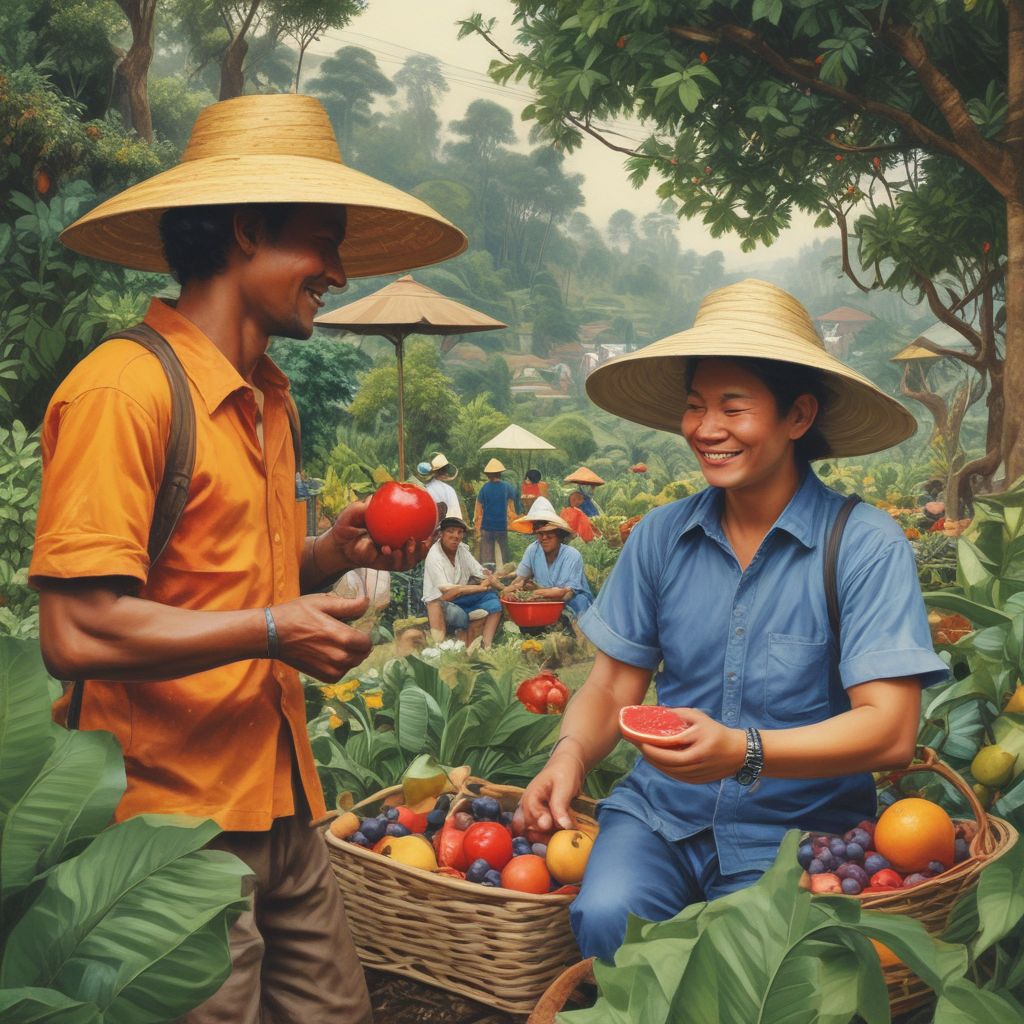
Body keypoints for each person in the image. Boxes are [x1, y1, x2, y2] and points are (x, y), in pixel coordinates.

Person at [31, 93, 466, 1023]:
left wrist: (321, 557)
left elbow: (217, 582)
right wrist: (273, 628)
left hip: (280, 796)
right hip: (166, 826)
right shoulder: (123, 391)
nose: (339, 271)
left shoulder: (271, 400)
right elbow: (75, 631)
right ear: (242, 231)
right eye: (323, 242)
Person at [514, 279, 948, 963]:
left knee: (755, 972)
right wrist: (567, 756)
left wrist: (745, 751)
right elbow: (611, 686)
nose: (705, 429)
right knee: (604, 920)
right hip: (659, 817)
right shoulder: (659, 537)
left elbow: (891, 731)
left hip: (798, 831)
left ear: (797, 416)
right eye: (694, 406)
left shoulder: (864, 546)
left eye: (733, 407)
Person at [422, 515, 504, 648]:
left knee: (494, 600)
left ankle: (487, 645)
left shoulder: (462, 550)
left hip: (461, 597)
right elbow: (446, 590)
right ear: (441, 534)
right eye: (451, 531)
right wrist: (480, 588)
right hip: (441, 601)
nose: (456, 536)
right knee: (457, 614)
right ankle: (463, 636)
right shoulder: (434, 555)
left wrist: (500, 585)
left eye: (460, 532)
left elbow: (480, 571)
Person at [504, 498, 594, 617]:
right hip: (545, 599)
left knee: (578, 604)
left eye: (549, 533)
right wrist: (508, 591)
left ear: (559, 535)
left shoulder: (572, 555)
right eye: (539, 531)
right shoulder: (533, 550)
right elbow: (520, 580)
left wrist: (535, 594)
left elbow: (566, 594)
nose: (544, 537)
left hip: (571, 602)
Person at [473, 457, 520, 565]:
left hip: (487, 526)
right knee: (503, 554)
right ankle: (505, 574)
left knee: (487, 556)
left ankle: (488, 574)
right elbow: (511, 509)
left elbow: (478, 510)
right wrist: (513, 521)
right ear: (500, 473)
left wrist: (477, 526)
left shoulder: (484, 488)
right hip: (502, 526)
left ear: (488, 474)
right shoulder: (507, 487)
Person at [416, 452, 465, 522]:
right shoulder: (450, 490)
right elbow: (457, 516)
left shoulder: (426, 489)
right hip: (451, 528)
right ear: (446, 472)